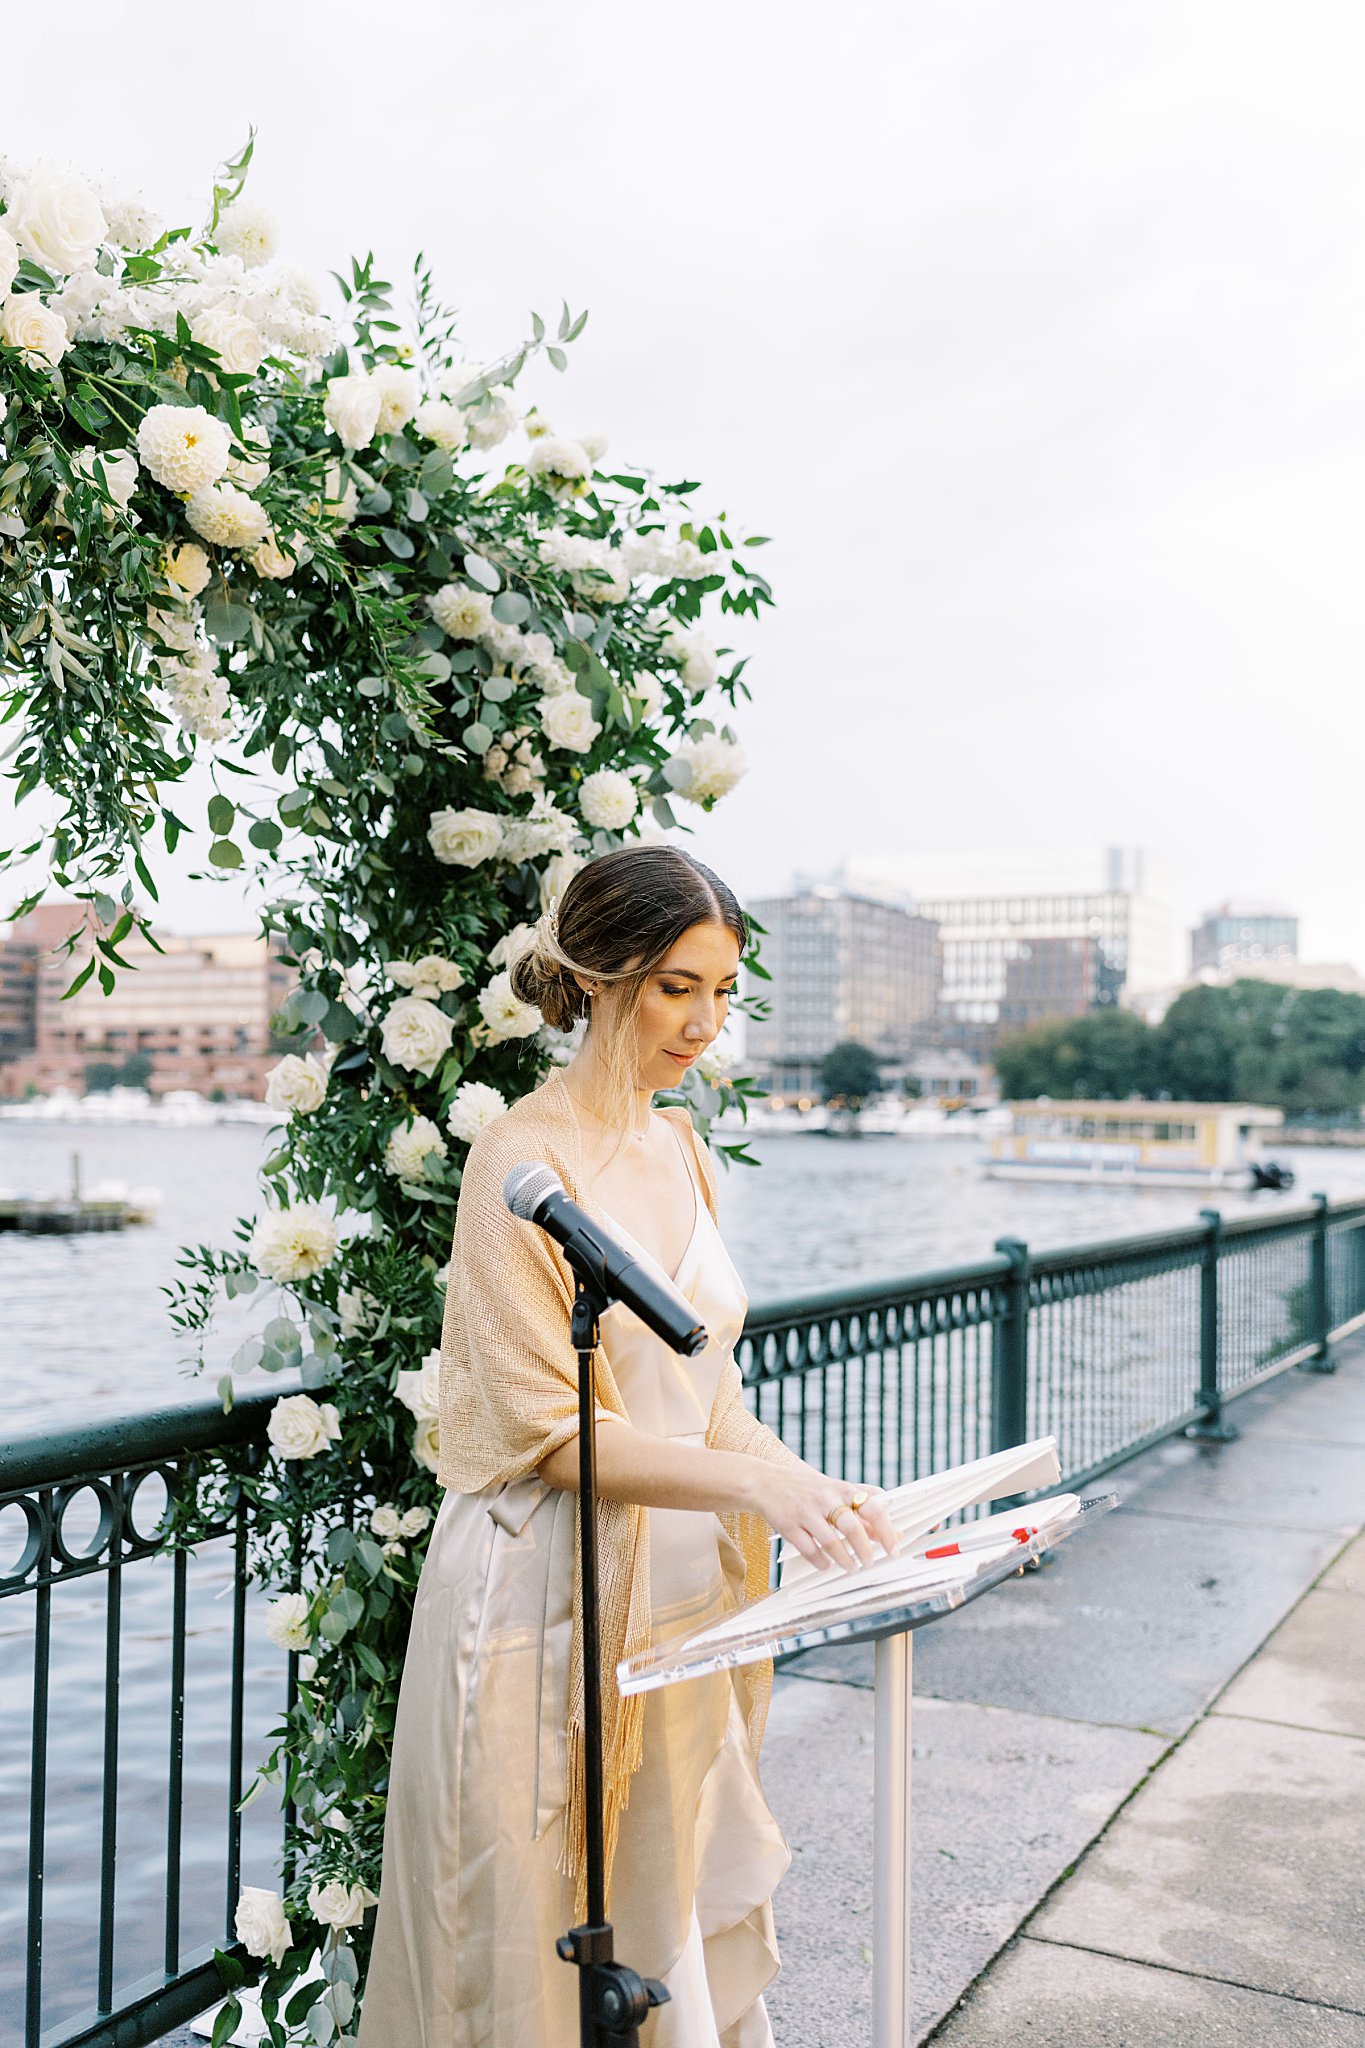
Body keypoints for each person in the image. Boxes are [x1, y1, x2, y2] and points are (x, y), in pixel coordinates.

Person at [359, 844, 898, 2048]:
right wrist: (754, 1482)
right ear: (598, 975)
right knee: (528, 1928)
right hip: (543, 1595)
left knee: (665, 1909)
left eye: (724, 991)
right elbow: (553, 1433)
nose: (706, 1022)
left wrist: (806, 1485)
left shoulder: (683, 1148)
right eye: (677, 986)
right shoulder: (518, 1156)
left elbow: (709, 1401)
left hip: (681, 1593)